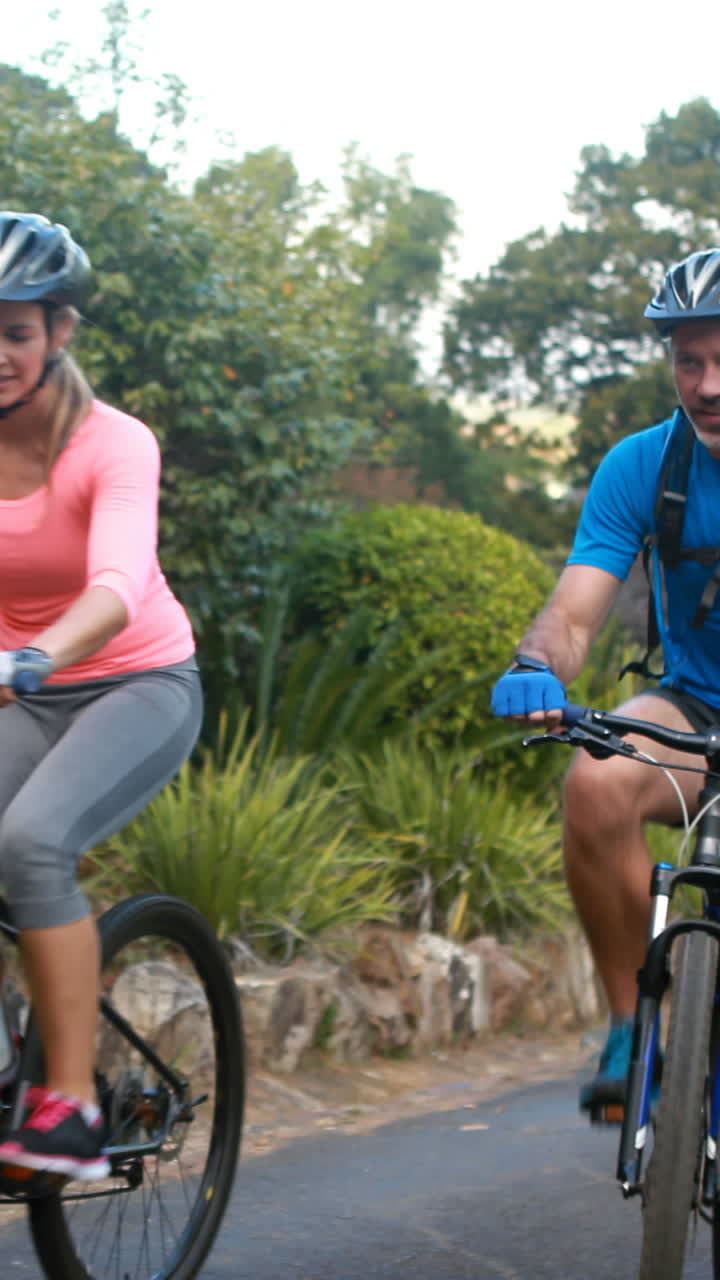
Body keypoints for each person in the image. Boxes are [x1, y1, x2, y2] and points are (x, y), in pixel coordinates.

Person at [491, 247, 720, 1114]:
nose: (706, 384)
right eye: (688, 360)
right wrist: (535, 664)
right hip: (695, 711)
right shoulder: (642, 468)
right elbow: (577, 614)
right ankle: (635, 1026)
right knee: (595, 781)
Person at [0, 211, 203, 1179]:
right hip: (20, 692)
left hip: (136, 680)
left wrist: (29, 657)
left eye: (16, 330)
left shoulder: (113, 443)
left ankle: (72, 1101)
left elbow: (116, 587)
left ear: (60, 332)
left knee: (32, 839)